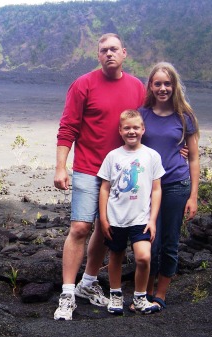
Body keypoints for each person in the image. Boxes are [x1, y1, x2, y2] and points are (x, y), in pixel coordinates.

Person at [53, 33, 145, 320]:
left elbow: (145, 126)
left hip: (122, 173)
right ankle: (67, 294)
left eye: (114, 49)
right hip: (88, 169)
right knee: (80, 227)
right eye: (104, 50)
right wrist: (60, 166)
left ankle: (88, 284)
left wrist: (178, 150)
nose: (109, 54)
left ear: (124, 53)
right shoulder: (83, 85)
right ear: (98, 55)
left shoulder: (137, 87)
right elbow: (68, 127)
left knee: (106, 230)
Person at [139, 61, 200, 309]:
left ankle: (161, 294)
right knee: (148, 242)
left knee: (170, 241)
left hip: (176, 185)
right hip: (146, 188)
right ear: (151, 86)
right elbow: (130, 144)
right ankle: (144, 291)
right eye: (158, 84)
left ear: (174, 86)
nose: (162, 88)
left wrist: (194, 195)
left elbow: (194, 158)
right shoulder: (141, 114)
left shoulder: (185, 117)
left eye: (167, 83)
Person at [98, 109, 164, 315]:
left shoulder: (152, 156)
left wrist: (153, 220)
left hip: (141, 218)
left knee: (143, 257)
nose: (131, 131)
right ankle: (116, 296)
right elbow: (105, 188)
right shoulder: (113, 156)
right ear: (120, 130)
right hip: (116, 218)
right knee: (115, 256)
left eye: (136, 127)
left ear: (143, 129)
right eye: (127, 128)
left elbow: (156, 189)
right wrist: (103, 218)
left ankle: (140, 297)